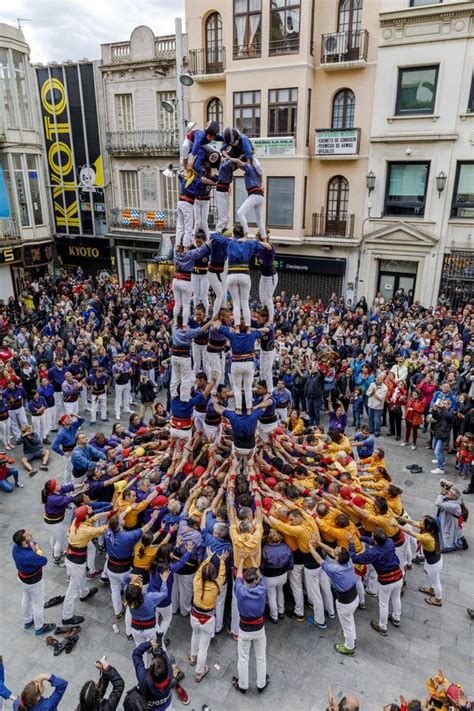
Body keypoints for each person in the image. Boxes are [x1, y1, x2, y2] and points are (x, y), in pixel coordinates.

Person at [308, 535, 358, 656]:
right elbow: (331, 551)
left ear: (337, 557)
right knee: (350, 621)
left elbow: (319, 560)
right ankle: (353, 639)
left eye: (337, 549)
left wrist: (310, 546)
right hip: (354, 597)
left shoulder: (334, 569)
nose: (335, 548)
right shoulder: (348, 561)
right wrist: (319, 543)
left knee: (346, 625)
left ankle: (349, 648)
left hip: (345, 602)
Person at [349, 527, 403, 637]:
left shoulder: (373, 552)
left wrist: (351, 544)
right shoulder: (390, 542)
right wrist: (361, 537)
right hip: (398, 576)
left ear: (375, 538)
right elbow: (374, 541)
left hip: (386, 580)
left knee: (383, 603)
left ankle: (383, 627)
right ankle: (396, 618)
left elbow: (355, 559)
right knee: (396, 598)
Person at [62, 505, 107, 626]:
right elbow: (105, 528)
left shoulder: (76, 521)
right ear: (86, 516)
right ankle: (67, 617)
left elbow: (94, 517)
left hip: (73, 559)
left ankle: (84, 593)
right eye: (90, 510)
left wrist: (112, 512)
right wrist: (119, 517)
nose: (92, 509)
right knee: (72, 591)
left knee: (81, 577)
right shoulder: (86, 530)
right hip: (76, 563)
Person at [232, 553, 269, 695]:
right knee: (261, 657)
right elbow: (258, 574)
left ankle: (243, 685)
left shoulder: (240, 590)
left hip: (244, 628)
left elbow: (239, 576)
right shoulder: (262, 589)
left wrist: (241, 559)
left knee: (243, 658)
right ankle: (261, 684)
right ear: (256, 580)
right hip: (259, 628)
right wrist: (253, 558)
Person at [189, 549, 228, 682]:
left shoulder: (196, 581)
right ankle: (199, 671)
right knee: (204, 647)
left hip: (194, 615)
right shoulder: (217, 585)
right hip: (207, 620)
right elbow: (222, 574)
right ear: (213, 575)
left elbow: (200, 570)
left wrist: (208, 558)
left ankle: (192, 657)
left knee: (195, 634)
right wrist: (222, 560)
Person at [11, 529, 55, 636]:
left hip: (23, 579)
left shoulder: (15, 548)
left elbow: (33, 543)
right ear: (23, 542)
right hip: (34, 582)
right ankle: (39, 627)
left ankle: (27, 621)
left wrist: (34, 546)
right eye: (27, 535)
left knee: (26, 598)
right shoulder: (29, 556)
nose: (30, 533)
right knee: (37, 604)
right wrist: (38, 551)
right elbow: (43, 560)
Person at [400, 516, 443, 606]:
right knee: (431, 576)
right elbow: (412, 522)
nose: (419, 521)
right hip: (433, 560)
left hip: (434, 563)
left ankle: (438, 599)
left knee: (436, 581)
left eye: (422, 521)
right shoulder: (429, 529)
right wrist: (399, 517)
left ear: (426, 525)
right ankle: (431, 590)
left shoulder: (427, 537)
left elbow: (410, 532)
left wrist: (396, 525)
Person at [230, 155, 266, 240]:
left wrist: (228, 158)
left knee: (240, 212)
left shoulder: (249, 167)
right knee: (259, 220)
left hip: (255, 194)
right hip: (260, 196)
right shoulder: (256, 170)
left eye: (240, 166)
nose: (239, 167)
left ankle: (246, 235)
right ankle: (264, 239)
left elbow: (238, 162)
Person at [130, 641, 174, 711]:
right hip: (166, 705)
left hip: (149, 708)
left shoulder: (143, 677)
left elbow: (136, 654)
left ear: (150, 670)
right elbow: (165, 657)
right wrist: (159, 650)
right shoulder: (170, 672)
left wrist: (149, 644)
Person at [261, 528, 292, 624]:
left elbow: (262, 566)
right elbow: (290, 563)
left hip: (269, 576)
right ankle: (281, 611)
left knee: (271, 596)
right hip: (282, 574)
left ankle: (274, 616)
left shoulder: (265, 549)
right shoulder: (286, 547)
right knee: (280, 591)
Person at [52, 413, 84, 484]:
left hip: (75, 450)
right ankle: (67, 484)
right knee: (69, 470)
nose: (70, 418)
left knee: (74, 468)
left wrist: (75, 415)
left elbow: (82, 420)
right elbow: (54, 446)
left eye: (70, 417)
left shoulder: (73, 425)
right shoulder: (61, 433)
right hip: (68, 454)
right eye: (67, 418)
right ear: (63, 422)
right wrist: (63, 453)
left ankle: (73, 484)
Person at [435, 483, 467, 553]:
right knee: (434, 523)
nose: (448, 492)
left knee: (442, 549)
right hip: (442, 519)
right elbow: (441, 481)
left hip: (448, 524)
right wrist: (447, 484)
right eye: (449, 491)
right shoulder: (450, 499)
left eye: (450, 492)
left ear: (454, 496)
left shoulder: (454, 506)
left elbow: (438, 503)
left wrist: (441, 493)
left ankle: (461, 543)